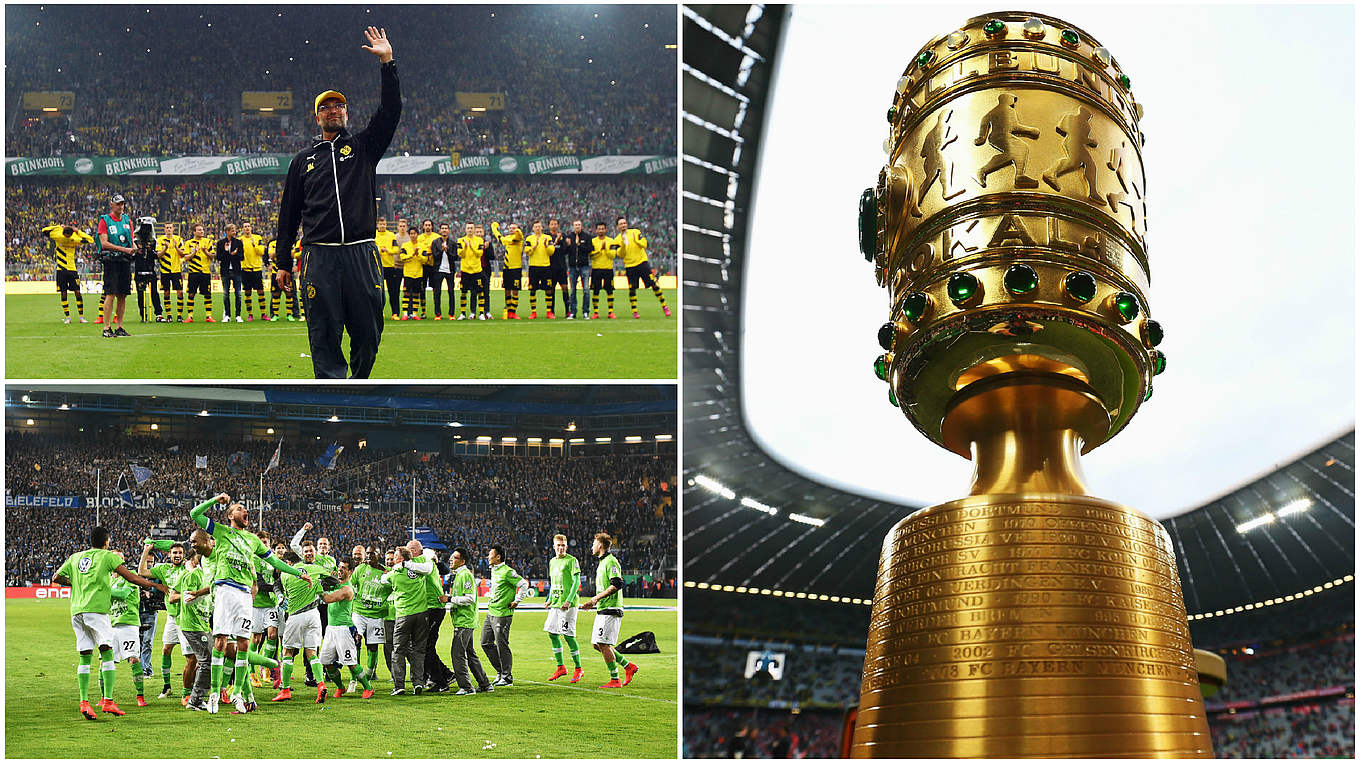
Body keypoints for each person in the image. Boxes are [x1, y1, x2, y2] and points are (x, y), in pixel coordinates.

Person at [273, 26, 400, 379]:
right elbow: (288, 217)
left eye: (339, 105)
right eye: (326, 107)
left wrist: (387, 62)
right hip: (320, 257)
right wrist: (283, 262)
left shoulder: (364, 147)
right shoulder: (303, 160)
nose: (333, 110)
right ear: (317, 117)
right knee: (323, 336)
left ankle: (358, 383)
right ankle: (334, 394)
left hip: (361, 252)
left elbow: (391, 111)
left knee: (368, 333)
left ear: (346, 114)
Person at [189, 493, 310, 714]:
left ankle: (238, 695)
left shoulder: (253, 540)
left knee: (244, 644)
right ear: (230, 515)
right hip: (226, 590)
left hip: (245, 596)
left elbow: (274, 561)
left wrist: (297, 573)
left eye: (245, 509)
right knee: (222, 642)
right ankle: (215, 692)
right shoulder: (222, 532)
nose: (245, 512)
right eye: (239, 508)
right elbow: (194, 514)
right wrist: (216, 500)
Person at [52, 525, 168, 719]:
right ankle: (108, 701)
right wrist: (156, 585)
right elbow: (132, 578)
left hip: (77, 612)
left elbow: (57, 577)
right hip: (97, 611)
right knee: (107, 652)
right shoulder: (108, 556)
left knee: (85, 656)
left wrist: (79, 584)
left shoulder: (75, 557)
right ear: (106, 542)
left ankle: (84, 702)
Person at [271, 549, 331, 704]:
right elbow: (331, 579)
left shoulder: (285, 575)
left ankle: (285, 690)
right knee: (311, 652)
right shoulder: (315, 569)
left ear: (288, 563)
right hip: (314, 614)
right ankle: (320, 684)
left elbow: (278, 585)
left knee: (288, 652)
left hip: (296, 615)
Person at [580, 531, 639, 688]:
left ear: (600, 545)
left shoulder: (611, 562)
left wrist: (594, 599)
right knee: (596, 644)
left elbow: (617, 584)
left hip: (611, 608)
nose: (592, 547)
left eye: (594, 544)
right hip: (603, 608)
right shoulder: (602, 563)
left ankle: (615, 679)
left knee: (602, 643)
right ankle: (628, 666)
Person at [137, 540, 189, 699]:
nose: (177, 555)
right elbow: (142, 571)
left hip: (187, 617)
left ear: (184, 555)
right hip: (172, 618)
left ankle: (189, 690)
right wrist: (148, 549)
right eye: (174, 552)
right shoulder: (164, 569)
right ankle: (167, 687)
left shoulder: (188, 568)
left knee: (190, 656)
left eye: (180, 553)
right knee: (166, 650)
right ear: (169, 555)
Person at [381, 546, 435, 695]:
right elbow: (428, 568)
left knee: (398, 650)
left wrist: (392, 570)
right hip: (421, 614)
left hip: (404, 615)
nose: (393, 559)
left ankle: (399, 686)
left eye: (395, 556)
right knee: (419, 650)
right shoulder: (419, 570)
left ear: (401, 558)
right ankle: (418, 683)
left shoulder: (395, 573)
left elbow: (383, 580)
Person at [319, 557, 376, 699]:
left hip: (344, 629)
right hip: (331, 628)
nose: (340, 570)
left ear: (351, 571)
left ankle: (368, 688)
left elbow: (327, 599)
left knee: (351, 663)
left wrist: (317, 587)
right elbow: (329, 585)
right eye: (339, 567)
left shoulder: (347, 589)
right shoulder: (337, 584)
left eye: (344, 568)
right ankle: (340, 687)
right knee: (326, 662)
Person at [170, 540, 213, 709]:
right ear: (196, 560)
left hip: (201, 624)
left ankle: (199, 697)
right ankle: (194, 699)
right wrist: (202, 593)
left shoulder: (204, 575)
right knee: (205, 660)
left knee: (209, 659)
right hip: (191, 625)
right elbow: (187, 600)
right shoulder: (192, 575)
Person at [443, 548, 491, 695]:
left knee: (457, 654)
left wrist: (450, 599)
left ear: (462, 561)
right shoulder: (459, 575)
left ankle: (466, 687)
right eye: (451, 557)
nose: (451, 559)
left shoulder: (465, 575)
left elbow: (470, 598)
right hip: (463, 620)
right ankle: (484, 684)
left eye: (455, 558)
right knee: (470, 653)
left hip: (465, 621)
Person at [481, 545, 529, 686]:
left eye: (490, 554)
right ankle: (501, 671)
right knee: (485, 642)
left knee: (502, 644)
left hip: (503, 614)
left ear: (498, 557)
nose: (488, 557)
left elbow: (524, 584)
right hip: (491, 612)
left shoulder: (508, 572)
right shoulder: (494, 570)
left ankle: (507, 677)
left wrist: (517, 601)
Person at [109, 554, 152, 706]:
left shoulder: (130, 577)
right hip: (110, 625)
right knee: (106, 662)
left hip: (128, 624)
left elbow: (122, 594)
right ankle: (104, 698)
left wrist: (101, 589)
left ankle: (140, 696)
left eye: (119, 558)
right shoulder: (108, 579)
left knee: (133, 659)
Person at [544, 534, 584, 683]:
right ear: (554, 547)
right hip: (555, 603)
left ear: (566, 547)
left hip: (568, 605)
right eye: (558, 545)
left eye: (563, 545)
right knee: (552, 633)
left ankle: (579, 669)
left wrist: (568, 600)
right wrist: (549, 599)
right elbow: (553, 582)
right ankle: (561, 667)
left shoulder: (572, 561)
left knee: (568, 636)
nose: (560, 548)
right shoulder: (552, 562)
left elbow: (576, 582)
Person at [96, 193, 136, 337]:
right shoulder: (105, 220)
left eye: (122, 204)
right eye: (118, 204)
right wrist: (125, 249)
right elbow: (104, 243)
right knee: (110, 293)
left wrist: (135, 247)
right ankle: (107, 328)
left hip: (124, 261)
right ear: (111, 205)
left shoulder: (128, 221)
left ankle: (119, 326)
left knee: (122, 295)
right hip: (111, 261)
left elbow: (131, 241)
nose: (121, 206)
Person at [615, 216, 670, 319]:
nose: (623, 225)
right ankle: (635, 311)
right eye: (621, 224)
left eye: (624, 223)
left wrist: (637, 241)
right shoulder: (617, 240)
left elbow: (644, 243)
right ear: (618, 226)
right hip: (630, 266)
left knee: (653, 284)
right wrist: (622, 244)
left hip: (642, 263)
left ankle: (664, 306)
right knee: (632, 289)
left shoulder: (635, 232)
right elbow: (621, 254)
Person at [350, 545, 389, 684]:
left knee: (373, 646)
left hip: (377, 615)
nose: (368, 556)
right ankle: (353, 678)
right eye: (367, 553)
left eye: (372, 554)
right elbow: (350, 584)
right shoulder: (360, 568)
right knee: (356, 640)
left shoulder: (386, 573)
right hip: (359, 611)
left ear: (379, 555)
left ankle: (368, 676)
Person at [41, 220, 94, 323]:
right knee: (63, 293)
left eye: (68, 236)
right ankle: (68, 317)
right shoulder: (60, 235)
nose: (67, 238)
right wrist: (59, 227)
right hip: (61, 270)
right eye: (66, 235)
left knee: (78, 293)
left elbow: (91, 240)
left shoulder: (72, 238)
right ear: (63, 233)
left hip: (72, 269)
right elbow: (43, 230)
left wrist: (77, 230)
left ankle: (81, 317)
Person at [523, 221, 556, 319]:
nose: (537, 228)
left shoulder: (548, 238)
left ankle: (549, 312)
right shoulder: (529, 238)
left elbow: (551, 252)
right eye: (535, 227)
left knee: (549, 290)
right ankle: (533, 312)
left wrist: (546, 245)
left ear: (542, 228)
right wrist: (534, 246)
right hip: (534, 267)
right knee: (532, 290)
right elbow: (527, 251)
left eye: (539, 226)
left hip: (546, 267)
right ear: (533, 228)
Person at [492, 221, 525, 318]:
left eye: (514, 228)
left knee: (515, 290)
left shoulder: (518, 238)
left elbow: (519, 235)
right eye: (510, 228)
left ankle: (513, 312)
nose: (512, 230)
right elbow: (499, 237)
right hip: (506, 268)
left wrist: (517, 230)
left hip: (516, 268)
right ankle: (508, 311)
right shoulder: (507, 238)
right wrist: (494, 228)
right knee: (507, 290)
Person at [183, 224, 214, 323]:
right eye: (199, 230)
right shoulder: (189, 243)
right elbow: (186, 258)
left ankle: (209, 316)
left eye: (202, 230)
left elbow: (212, 256)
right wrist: (194, 253)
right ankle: (190, 317)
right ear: (194, 232)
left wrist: (205, 252)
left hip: (205, 272)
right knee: (191, 294)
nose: (202, 231)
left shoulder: (208, 242)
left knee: (207, 294)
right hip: (193, 272)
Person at [131, 224, 162, 323]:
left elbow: (156, 256)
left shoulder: (153, 242)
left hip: (151, 272)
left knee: (154, 293)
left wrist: (149, 249)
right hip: (139, 273)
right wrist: (136, 250)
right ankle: (143, 315)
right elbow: (131, 258)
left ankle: (159, 314)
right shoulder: (134, 243)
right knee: (140, 295)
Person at [562, 219, 592, 320]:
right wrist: (568, 245)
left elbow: (590, 250)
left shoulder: (587, 236)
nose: (577, 227)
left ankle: (586, 312)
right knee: (572, 290)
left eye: (579, 225)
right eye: (575, 225)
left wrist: (580, 245)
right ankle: (573, 312)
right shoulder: (569, 237)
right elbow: (565, 252)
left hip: (584, 266)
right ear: (573, 226)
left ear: (581, 226)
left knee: (586, 290)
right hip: (572, 267)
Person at [589, 221, 620, 319]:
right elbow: (591, 256)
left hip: (608, 269)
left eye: (603, 228)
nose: (601, 230)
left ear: (606, 230)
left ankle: (611, 312)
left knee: (609, 291)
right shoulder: (593, 241)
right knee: (595, 291)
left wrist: (606, 250)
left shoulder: (611, 241)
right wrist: (600, 250)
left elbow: (613, 255)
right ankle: (596, 312)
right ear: (596, 230)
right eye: (599, 229)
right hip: (596, 269)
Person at [156, 222, 185, 322]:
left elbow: (183, 254)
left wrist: (176, 247)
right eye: (167, 228)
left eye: (170, 228)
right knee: (166, 292)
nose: (169, 229)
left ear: (173, 229)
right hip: (165, 271)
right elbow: (158, 255)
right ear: (164, 229)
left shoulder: (178, 239)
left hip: (176, 270)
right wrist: (165, 248)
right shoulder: (160, 240)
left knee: (180, 292)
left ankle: (179, 316)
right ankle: (169, 315)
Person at [215, 223, 245, 323]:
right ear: (227, 232)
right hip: (225, 272)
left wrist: (234, 255)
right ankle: (227, 315)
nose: (234, 232)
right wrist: (226, 252)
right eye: (232, 230)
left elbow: (242, 257)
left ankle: (238, 315)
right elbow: (219, 257)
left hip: (236, 271)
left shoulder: (239, 243)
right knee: (226, 294)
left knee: (238, 294)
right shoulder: (220, 243)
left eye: (235, 230)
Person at [375, 218, 403, 320]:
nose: (382, 226)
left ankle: (395, 313)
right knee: (378, 292)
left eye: (384, 224)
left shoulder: (391, 235)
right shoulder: (374, 235)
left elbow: (396, 249)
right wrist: (379, 250)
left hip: (390, 266)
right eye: (381, 224)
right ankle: (379, 312)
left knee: (393, 291)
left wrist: (387, 250)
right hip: (378, 267)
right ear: (377, 225)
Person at [456, 222, 486, 320]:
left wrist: (472, 247)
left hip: (476, 270)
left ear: (474, 229)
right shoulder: (460, 240)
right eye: (468, 228)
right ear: (465, 229)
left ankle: (481, 313)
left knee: (480, 291)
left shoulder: (479, 240)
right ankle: (463, 313)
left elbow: (479, 254)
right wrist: (465, 246)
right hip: (465, 270)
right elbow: (460, 254)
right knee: (463, 292)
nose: (470, 230)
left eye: (471, 228)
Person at [239, 222, 268, 321]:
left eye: (248, 226)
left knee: (260, 292)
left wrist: (254, 245)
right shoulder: (240, 240)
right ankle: (250, 314)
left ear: (251, 228)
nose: (247, 228)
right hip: (245, 269)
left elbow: (262, 251)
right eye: (245, 227)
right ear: (242, 229)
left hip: (256, 269)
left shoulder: (257, 238)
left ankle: (263, 314)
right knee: (247, 292)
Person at [428, 222, 456, 320]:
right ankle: (438, 314)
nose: (444, 230)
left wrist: (447, 251)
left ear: (448, 230)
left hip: (450, 270)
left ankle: (451, 314)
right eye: (442, 228)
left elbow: (455, 257)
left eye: (446, 228)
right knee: (437, 293)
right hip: (438, 270)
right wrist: (441, 250)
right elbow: (435, 255)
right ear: (440, 230)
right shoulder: (435, 242)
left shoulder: (452, 243)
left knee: (451, 292)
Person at [399, 232, 426, 320]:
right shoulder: (405, 245)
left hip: (418, 273)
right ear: (409, 235)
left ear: (417, 235)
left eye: (414, 233)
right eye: (411, 233)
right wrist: (412, 254)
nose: (413, 235)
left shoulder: (422, 246)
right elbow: (402, 257)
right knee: (406, 293)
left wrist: (417, 254)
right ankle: (405, 313)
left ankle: (414, 314)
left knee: (416, 294)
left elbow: (425, 259)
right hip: (408, 273)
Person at [547, 218, 571, 318]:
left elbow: (565, 251)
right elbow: (548, 250)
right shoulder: (547, 237)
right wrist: (556, 241)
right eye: (552, 224)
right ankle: (551, 311)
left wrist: (566, 244)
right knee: (551, 290)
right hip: (550, 267)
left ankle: (567, 311)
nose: (554, 226)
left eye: (555, 224)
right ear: (549, 226)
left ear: (558, 225)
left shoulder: (563, 236)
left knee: (565, 288)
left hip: (561, 267)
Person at [415, 219, 438, 319]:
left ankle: (437, 312)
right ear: (423, 227)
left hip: (434, 266)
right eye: (426, 225)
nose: (428, 227)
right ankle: (423, 311)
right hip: (423, 266)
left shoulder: (437, 237)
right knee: (422, 289)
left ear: (432, 226)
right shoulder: (419, 238)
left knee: (435, 289)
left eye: (429, 225)